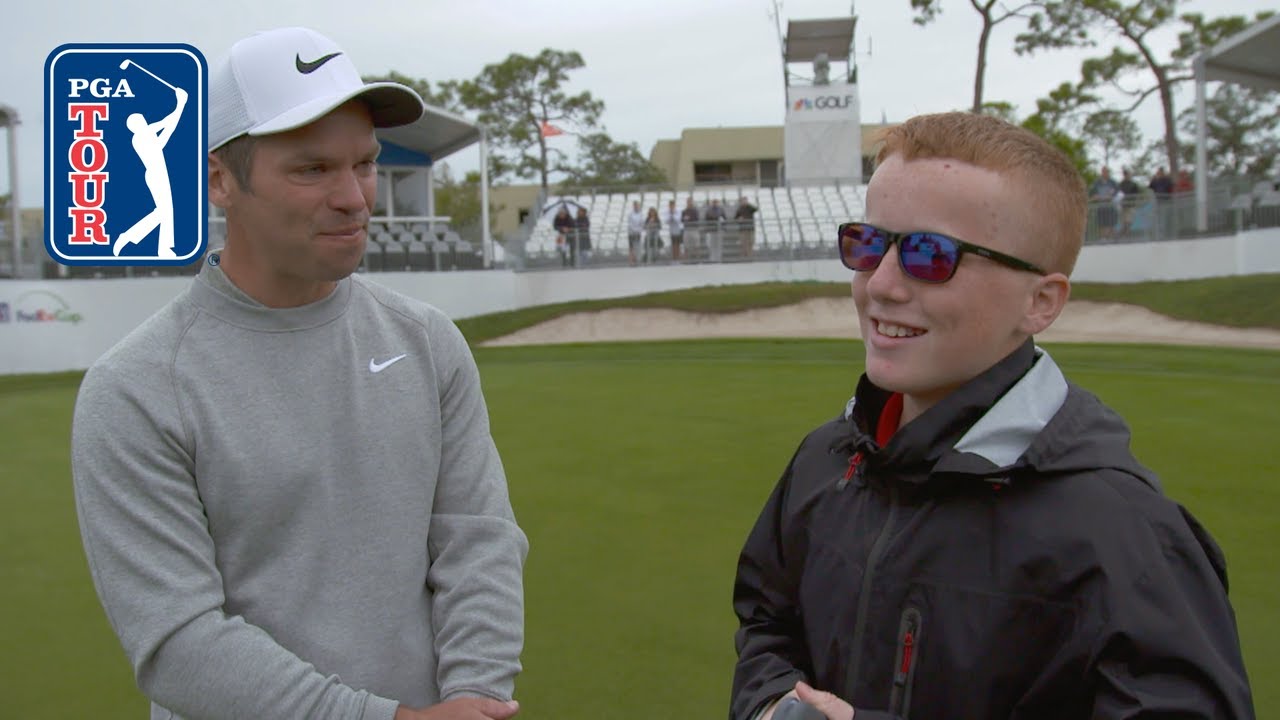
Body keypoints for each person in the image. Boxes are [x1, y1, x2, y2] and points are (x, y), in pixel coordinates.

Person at [730, 112, 1254, 720]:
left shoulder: (1124, 534)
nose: (882, 285)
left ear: (1040, 302)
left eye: (931, 255)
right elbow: (768, 619)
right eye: (868, 244)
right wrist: (772, 706)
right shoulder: (825, 461)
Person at [71, 27, 528, 720]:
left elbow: (478, 537)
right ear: (221, 179)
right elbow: (178, 641)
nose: (354, 197)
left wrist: (474, 696)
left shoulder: (428, 342)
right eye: (312, 169)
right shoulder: (136, 389)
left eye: (365, 164)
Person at [1088, 166, 1119, 240]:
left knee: (1111, 223)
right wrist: (1095, 197)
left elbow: (1116, 193)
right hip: (1101, 207)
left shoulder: (1113, 182)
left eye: (1106, 172)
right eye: (1103, 171)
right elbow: (1092, 193)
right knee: (1101, 224)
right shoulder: (1097, 183)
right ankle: (1103, 239)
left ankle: (1112, 238)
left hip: (1110, 206)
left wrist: (1110, 196)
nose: (1105, 173)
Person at [1117, 167, 1140, 236]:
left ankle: (1126, 234)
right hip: (1123, 206)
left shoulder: (1134, 184)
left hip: (1131, 205)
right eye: (1125, 174)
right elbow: (1118, 193)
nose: (1127, 176)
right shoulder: (1121, 184)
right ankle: (1124, 235)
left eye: (1128, 174)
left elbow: (1137, 194)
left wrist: (1135, 202)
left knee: (1129, 221)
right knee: (1124, 221)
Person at [704, 197, 727, 262]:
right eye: (714, 202)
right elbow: (707, 219)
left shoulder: (721, 210)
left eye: (716, 202)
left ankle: (719, 258)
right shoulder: (708, 210)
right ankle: (712, 258)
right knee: (712, 245)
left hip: (719, 230)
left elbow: (724, 219)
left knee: (719, 244)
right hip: (711, 230)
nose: (715, 203)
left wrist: (724, 228)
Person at [681, 197, 702, 261]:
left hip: (694, 229)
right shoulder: (684, 211)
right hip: (687, 229)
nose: (689, 203)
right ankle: (686, 260)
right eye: (688, 202)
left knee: (696, 245)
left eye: (690, 201)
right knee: (686, 245)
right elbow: (682, 220)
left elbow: (696, 218)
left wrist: (688, 218)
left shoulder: (695, 211)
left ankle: (697, 259)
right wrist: (685, 219)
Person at [626, 199, 645, 265]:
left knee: (637, 246)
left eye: (637, 206)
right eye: (635, 206)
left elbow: (642, 223)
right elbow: (630, 223)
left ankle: (637, 260)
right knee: (631, 247)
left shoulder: (641, 214)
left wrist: (639, 229)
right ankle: (631, 261)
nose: (636, 207)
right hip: (631, 232)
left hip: (638, 232)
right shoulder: (630, 214)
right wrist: (634, 229)